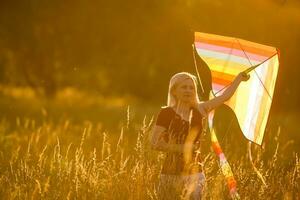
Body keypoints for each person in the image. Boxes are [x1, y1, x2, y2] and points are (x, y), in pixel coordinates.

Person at [150, 71, 249, 199]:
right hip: (170, 173)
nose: (188, 90)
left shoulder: (200, 109)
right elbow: (154, 143)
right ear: (174, 91)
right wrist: (181, 149)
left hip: (195, 174)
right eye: (184, 87)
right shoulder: (166, 113)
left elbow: (225, 97)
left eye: (191, 88)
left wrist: (239, 78)